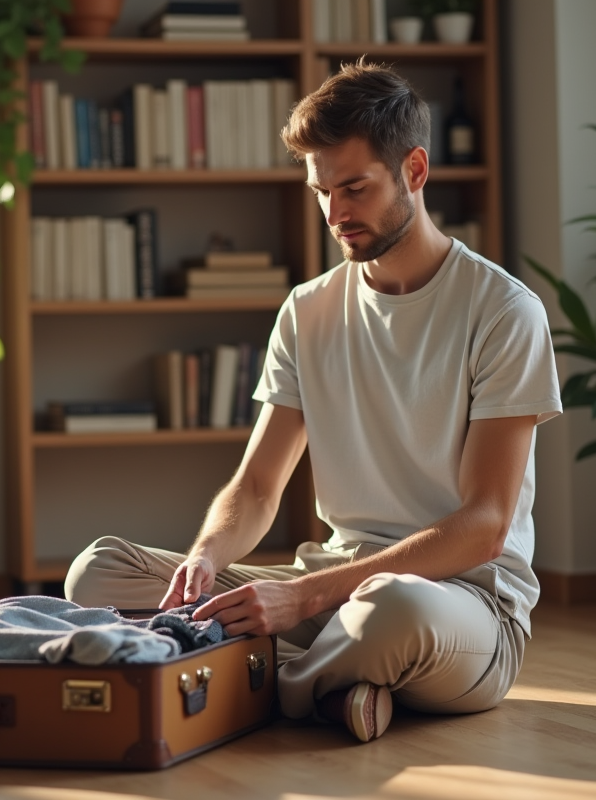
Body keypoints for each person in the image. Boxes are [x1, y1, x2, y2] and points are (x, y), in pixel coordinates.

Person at [65, 60, 562, 743]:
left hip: (462, 605)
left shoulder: (504, 311)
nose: (335, 213)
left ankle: (232, 686)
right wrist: (205, 558)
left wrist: (302, 596)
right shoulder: (308, 310)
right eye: (321, 191)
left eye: (354, 187)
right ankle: (333, 689)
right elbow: (257, 486)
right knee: (99, 572)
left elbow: (485, 526)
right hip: (333, 588)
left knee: (390, 612)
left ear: (414, 171)